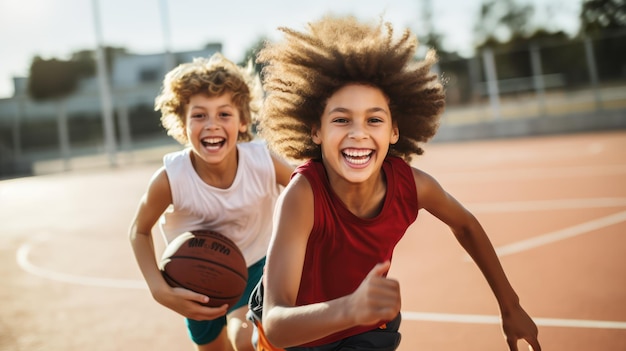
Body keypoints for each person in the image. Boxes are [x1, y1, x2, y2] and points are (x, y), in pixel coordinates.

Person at [250, 15, 542, 351]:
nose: (358, 132)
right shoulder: (302, 196)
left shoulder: (412, 186)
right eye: (341, 119)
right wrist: (350, 307)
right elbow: (276, 324)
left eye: (374, 119)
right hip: (300, 330)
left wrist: (511, 305)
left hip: (367, 328)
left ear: (394, 131)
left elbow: (466, 226)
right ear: (315, 130)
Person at [129, 53, 294, 351]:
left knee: (245, 340)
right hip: (192, 277)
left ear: (243, 121)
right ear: (182, 122)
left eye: (224, 114)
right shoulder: (170, 178)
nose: (212, 124)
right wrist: (158, 289)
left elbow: (305, 188)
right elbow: (139, 231)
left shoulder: (261, 162)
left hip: (257, 265)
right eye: (199, 115)